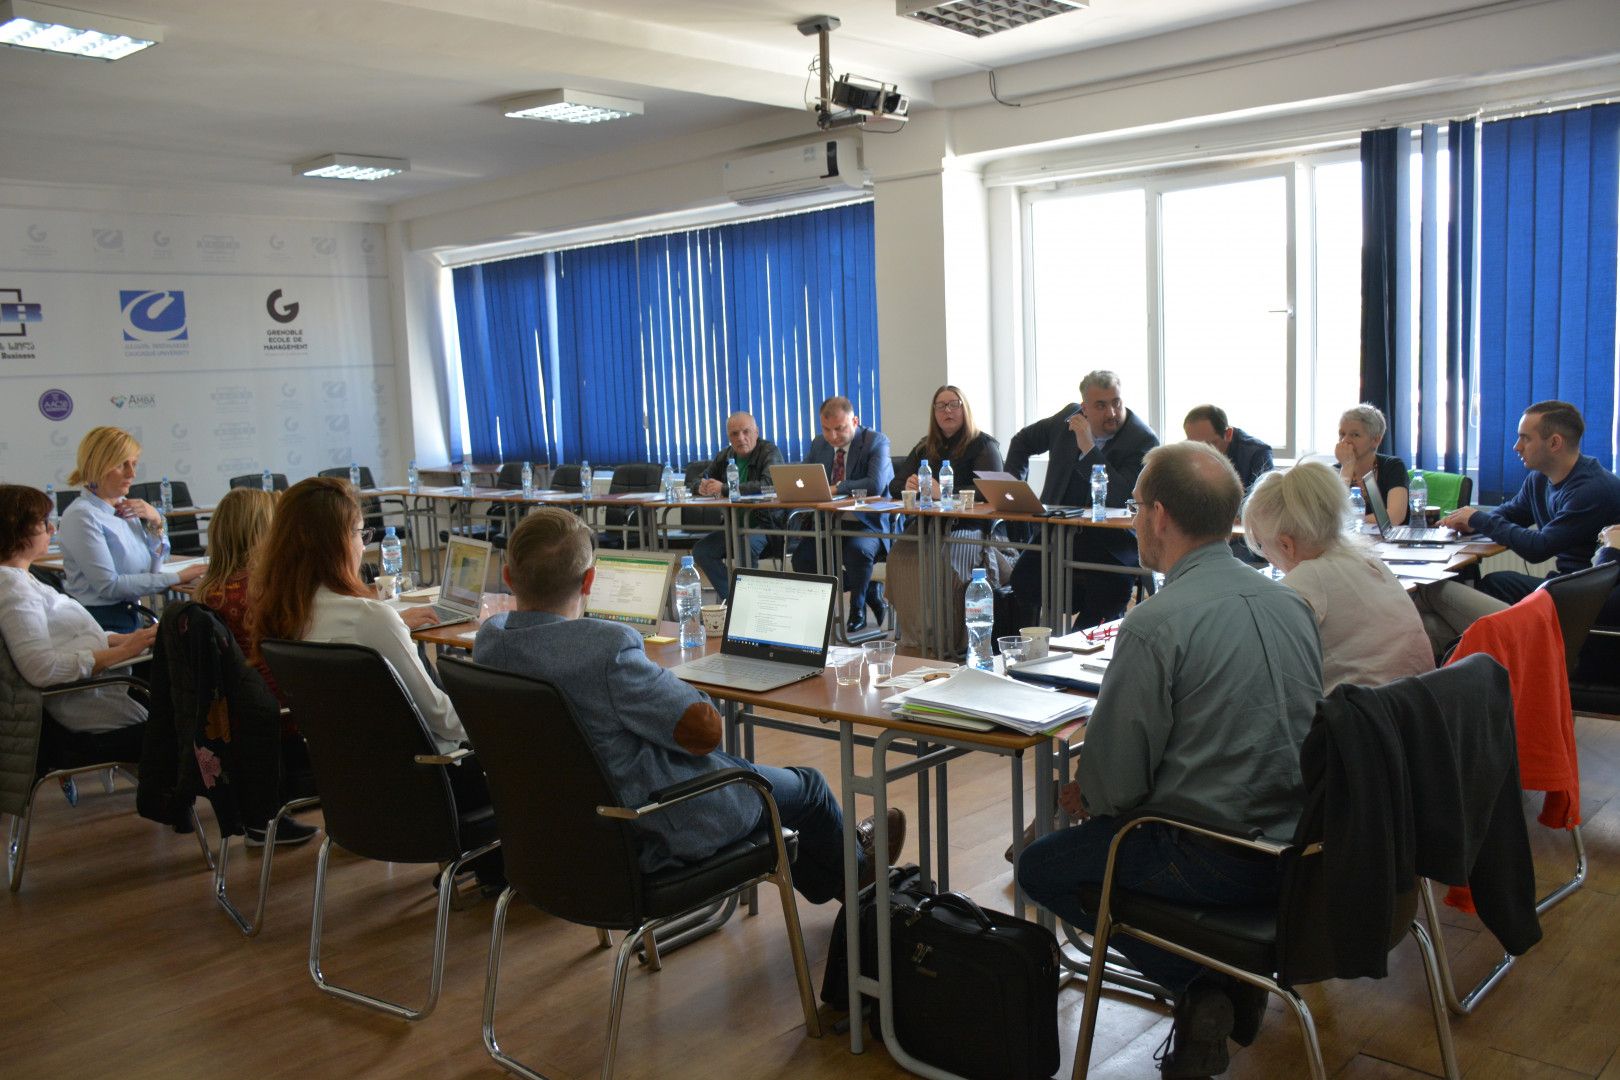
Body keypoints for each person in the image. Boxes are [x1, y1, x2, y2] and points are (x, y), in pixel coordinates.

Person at [1016, 442, 1323, 1078]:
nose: (1132, 521)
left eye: (1133, 508)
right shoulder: (1290, 604)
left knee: (1039, 866)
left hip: (1209, 857)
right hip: (1304, 855)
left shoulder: (1155, 624)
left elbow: (1117, 791)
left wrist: (1088, 790)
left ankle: (1202, 984)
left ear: (1158, 517)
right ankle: (1217, 977)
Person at [473, 507, 903, 900]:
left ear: (508, 577)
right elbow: (706, 733)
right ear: (590, 581)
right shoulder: (606, 649)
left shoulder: (491, 642)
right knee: (809, 787)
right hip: (654, 822)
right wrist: (665, 681)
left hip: (559, 836)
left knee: (780, 797)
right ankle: (865, 886)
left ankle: (853, 877)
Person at [248, 477, 501, 881]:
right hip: (434, 789)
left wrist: (393, 626)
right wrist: (499, 710)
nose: (361, 542)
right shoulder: (369, 618)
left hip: (355, 795)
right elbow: (444, 722)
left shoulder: (284, 615)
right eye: (357, 532)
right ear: (334, 542)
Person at [1412, 400, 1620, 649]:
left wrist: (1477, 518)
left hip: (1586, 599)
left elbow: (1538, 548)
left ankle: (1503, 654)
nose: (1516, 447)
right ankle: (1461, 653)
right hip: (1568, 585)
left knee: (1437, 591)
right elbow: (1511, 514)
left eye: (1525, 439)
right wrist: (1471, 523)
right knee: (1488, 588)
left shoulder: (1592, 490)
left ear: (1554, 443)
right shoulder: (1539, 479)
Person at [1242, 463, 1433, 691]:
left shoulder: (1305, 582)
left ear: (1286, 545)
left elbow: (1264, 671)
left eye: (1263, 546)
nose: (1267, 557)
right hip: (1417, 708)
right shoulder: (1369, 562)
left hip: (1366, 717)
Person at [0, 484, 154, 763]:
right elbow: (40, 668)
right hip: (86, 717)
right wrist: (124, 652)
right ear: (16, 531)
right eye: (43, 523)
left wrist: (129, 640)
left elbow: (67, 637)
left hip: (97, 697)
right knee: (196, 715)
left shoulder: (24, 578)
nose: (52, 530)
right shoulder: (12, 588)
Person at [1006, 371, 1160, 630]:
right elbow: (1022, 441)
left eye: (1117, 402)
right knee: (1023, 580)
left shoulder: (1142, 439)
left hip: (1111, 546)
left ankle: (1079, 650)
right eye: (1101, 405)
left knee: (1106, 596)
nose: (1112, 412)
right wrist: (1012, 485)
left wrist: (1089, 448)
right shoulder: (1067, 419)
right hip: (1057, 535)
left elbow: (1123, 497)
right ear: (1084, 407)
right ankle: (1024, 648)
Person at [885, 385, 1006, 651]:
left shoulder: (983, 445)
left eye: (954, 404)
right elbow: (893, 486)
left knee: (945, 564)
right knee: (898, 558)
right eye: (941, 406)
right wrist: (910, 483)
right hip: (927, 526)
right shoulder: (925, 447)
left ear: (964, 409)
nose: (947, 411)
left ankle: (952, 637)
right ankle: (918, 634)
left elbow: (992, 490)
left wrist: (946, 494)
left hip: (969, 528)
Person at [57, 426, 205, 631]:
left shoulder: (124, 506)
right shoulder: (82, 516)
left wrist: (156, 522)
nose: (132, 473)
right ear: (97, 466)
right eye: (121, 465)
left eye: (134, 464)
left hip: (130, 612)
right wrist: (178, 577)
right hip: (100, 620)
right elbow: (110, 586)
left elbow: (154, 567)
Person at [790, 396, 893, 633]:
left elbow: (874, 485)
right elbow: (805, 478)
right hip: (829, 523)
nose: (833, 436)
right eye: (827, 429)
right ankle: (867, 589)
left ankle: (857, 610)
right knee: (803, 559)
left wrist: (835, 488)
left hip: (868, 522)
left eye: (840, 428)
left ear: (854, 421)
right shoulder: (819, 444)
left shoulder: (875, 441)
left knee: (856, 552)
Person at [195, 487, 282, 700]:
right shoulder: (267, 590)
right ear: (263, 533)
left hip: (236, 708)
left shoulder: (205, 593)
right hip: (279, 704)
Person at [689, 412, 784, 603]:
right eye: (734, 434)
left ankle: (752, 604)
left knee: (744, 544)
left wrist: (724, 488)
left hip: (767, 527)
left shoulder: (770, 452)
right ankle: (735, 600)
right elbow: (697, 479)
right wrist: (701, 486)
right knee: (702, 551)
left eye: (746, 431)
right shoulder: (725, 456)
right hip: (733, 527)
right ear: (728, 437)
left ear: (756, 432)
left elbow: (770, 484)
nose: (741, 438)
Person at [1335, 404, 1409, 525]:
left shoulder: (1393, 466)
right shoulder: (1334, 472)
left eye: (1355, 435)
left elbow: (1395, 516)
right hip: (1350, 542)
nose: (1345, 440)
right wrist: (1347, 468)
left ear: (1376, 440)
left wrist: (1354, 521)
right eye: (1342, 434)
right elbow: (1332, 519)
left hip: (1390, 542)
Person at [1182, 404, 1273, 491]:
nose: (1203, 452)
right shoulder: (1183, 452)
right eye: (1195, 445)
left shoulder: (1258, 453)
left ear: (1228, 434)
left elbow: (1263, 502)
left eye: (1209, 444)